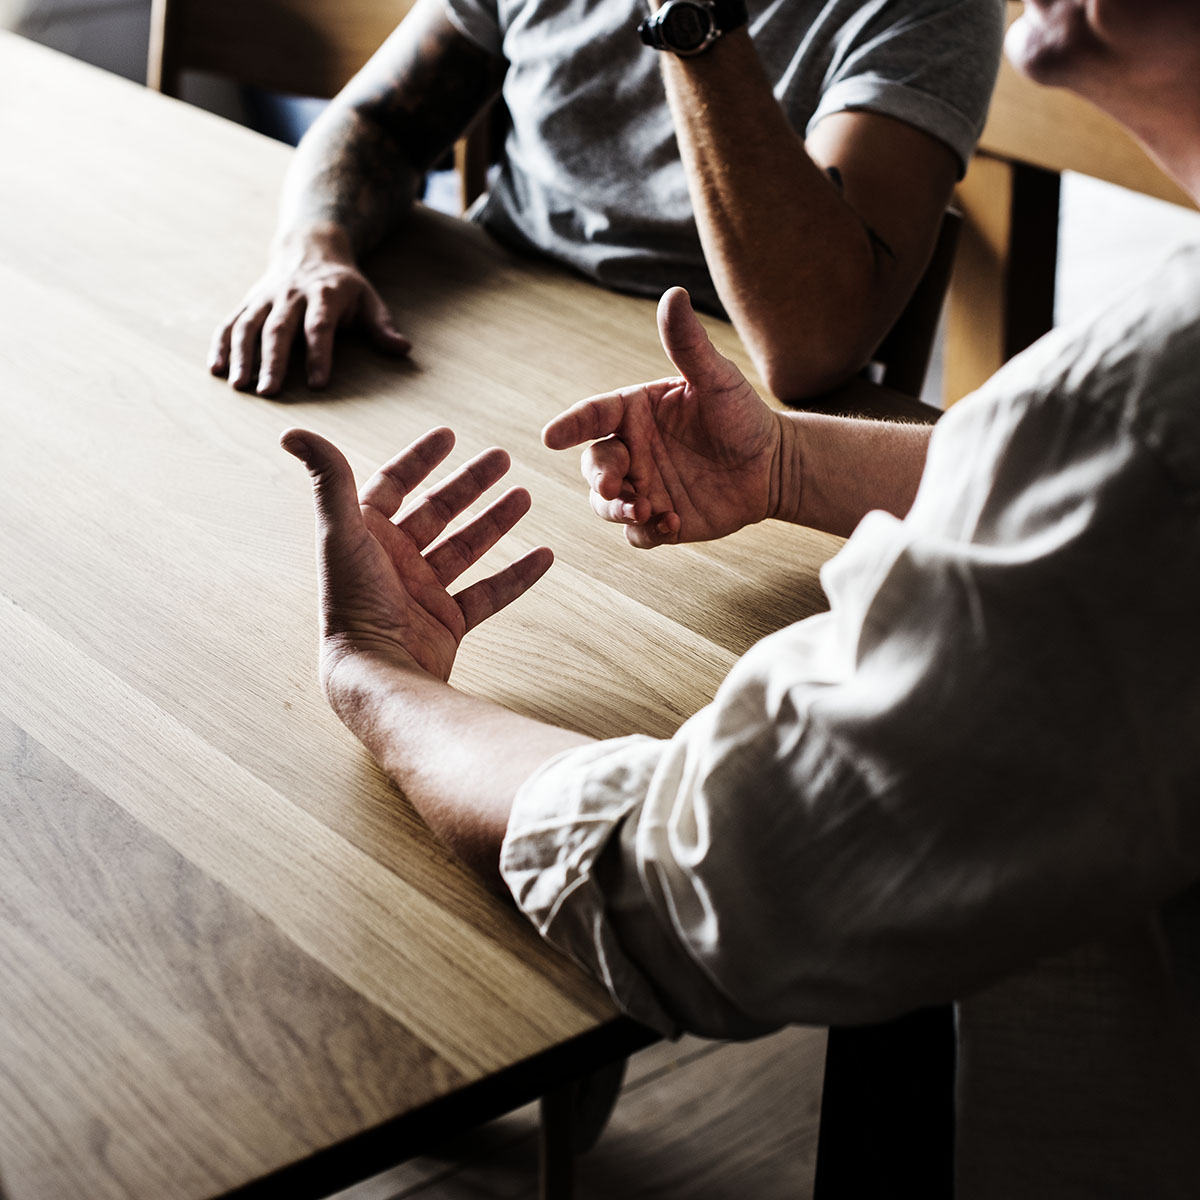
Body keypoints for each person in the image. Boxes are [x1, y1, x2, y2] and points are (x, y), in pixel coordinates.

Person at [283, 0, 1200, 1191]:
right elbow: (1066, 488)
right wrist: (788, 463)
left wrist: (379, 676)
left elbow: (690, 881)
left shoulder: (1139, 410)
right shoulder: (1126, 421)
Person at [210, 0, 1002, 400]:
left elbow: (809, 343)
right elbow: (378, 123)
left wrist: (690, 17)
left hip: (721, 417)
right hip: (473, 353)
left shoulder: (932, 10)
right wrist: (313, 245)